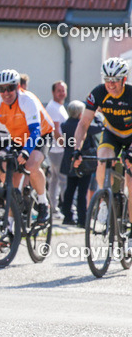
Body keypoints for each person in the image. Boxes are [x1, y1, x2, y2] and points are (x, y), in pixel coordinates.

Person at [0, 68, 54, 225]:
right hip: (18, 138)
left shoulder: (27, 100)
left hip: (41, 135)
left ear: (18, 87)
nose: (6, 93)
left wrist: (26, 152)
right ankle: (10, 224)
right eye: (2, 89)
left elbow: (35, 131)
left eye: (10, 88)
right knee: (11, 177)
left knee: (31, 165)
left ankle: (43, 202)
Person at [73, 57, 132, 229]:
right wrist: (77, 149)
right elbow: (83, 124)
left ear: (124, 80)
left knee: (130, 180)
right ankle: (104, 202)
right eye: (107, 80)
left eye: (115, 81)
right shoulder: (98, 93)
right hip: (112, 133)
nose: (111, 85)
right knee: (103, 159)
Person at [59, 100, 100, 226]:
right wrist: (96, 116)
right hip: (84, 162)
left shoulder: (64, 125)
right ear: (80, 113)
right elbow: (101, 128)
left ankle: (67, 216)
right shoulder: (83, 125)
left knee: (70, 190)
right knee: (82, 191)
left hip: (69, 160)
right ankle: (82, 220)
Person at [45, 80, 68, 213]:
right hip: (57, 150)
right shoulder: (53, 107)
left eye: (63, 90)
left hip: (57, 149)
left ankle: (54, 207)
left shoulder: (59, 106)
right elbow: (56, 131)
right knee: (60, 179)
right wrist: (65, 146)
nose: (61, 93)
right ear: (53, 92)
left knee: (54, 179)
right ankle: (61, 207)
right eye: (58, 91)